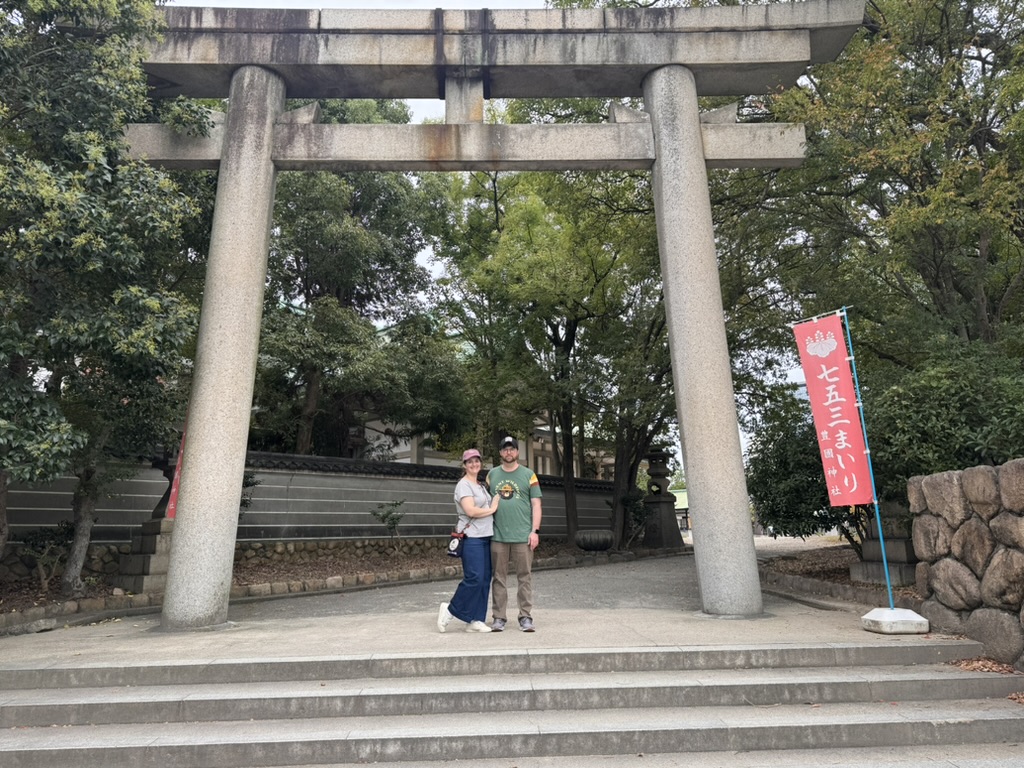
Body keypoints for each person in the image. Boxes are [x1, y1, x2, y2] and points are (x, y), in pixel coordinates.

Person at [437, 449, 499, 633]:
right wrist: (493, 507)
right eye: (469, 462)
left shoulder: (480, 485)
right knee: (474, 578)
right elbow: (471, 511)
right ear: (464, 465)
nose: (474, 464)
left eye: (476, 461)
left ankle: (476, 619)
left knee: (485, 579)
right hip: (472, 538)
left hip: (486, 536)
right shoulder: (463, 485)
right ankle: (449, 610)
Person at [487, 436, 542, 632]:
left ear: (518, 452)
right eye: (505, 449)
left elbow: (536, 504)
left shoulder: (529, 475)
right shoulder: (491, 475)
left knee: (524, 577)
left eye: (512, 449)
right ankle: (499, 617)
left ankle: (525, 616)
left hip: (523, 536)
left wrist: (535, 531)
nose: (508, 452)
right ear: (500, 452)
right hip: (498, 535)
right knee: (498, 578)